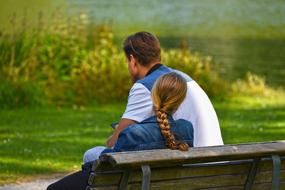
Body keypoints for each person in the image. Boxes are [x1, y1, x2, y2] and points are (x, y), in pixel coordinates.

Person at [83, 31, 223, 163]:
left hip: (190, 164)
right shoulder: (180, 78)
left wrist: (114, 136)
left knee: (92, 154)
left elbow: (116, 143)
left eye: (126, 61)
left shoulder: (144, 86)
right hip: (211, 160)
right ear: (158, 56)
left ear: (132, 60)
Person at [47, 72, 194, 190]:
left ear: (153, 96)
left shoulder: (133, 133)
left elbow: (103, 165)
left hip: (123, 184)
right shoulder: (187, 129)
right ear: (180, 101)